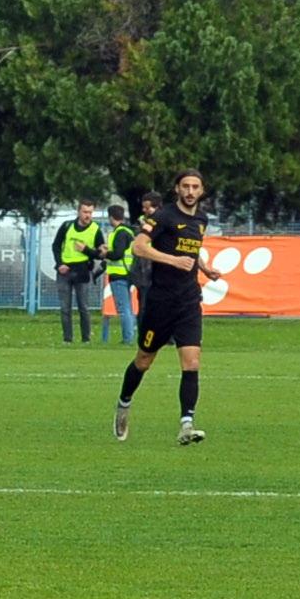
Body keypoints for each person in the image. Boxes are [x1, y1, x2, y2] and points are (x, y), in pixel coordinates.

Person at [117, 170, 209, 445]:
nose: (190, 191)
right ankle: (123, 403)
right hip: (160, 302)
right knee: (144, 359)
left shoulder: (201, 220)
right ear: (177, 189)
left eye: (195, 187)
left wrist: (205, 267)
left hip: (189, 301)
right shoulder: (163, 217)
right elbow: (138, 247)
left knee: (191, 361)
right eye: (186, 186)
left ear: (201, 191)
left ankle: (186, 424)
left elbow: (192, 251)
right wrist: (172, 260)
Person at [52, 201, 105, 342]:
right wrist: (59, 264)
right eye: (85, 212)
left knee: (84, 307)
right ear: (78, 212)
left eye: (90, 212)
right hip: (65, 270)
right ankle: (67, 339)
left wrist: (86, 250)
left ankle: (86, 339)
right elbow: (56, 245)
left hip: (83, 271)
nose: (88, 215)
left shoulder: (95, 229)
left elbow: (101, 254)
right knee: (65, 308)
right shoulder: (67, 226)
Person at [99, 202, 138, 345]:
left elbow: (117, 254)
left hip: (119, 273)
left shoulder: (119, 233)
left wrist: (105, 253)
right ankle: (130, 336)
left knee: (124, 309)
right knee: (128, 307)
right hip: (127, 272)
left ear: (111, 217)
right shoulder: (128, 231)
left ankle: (128, 338)